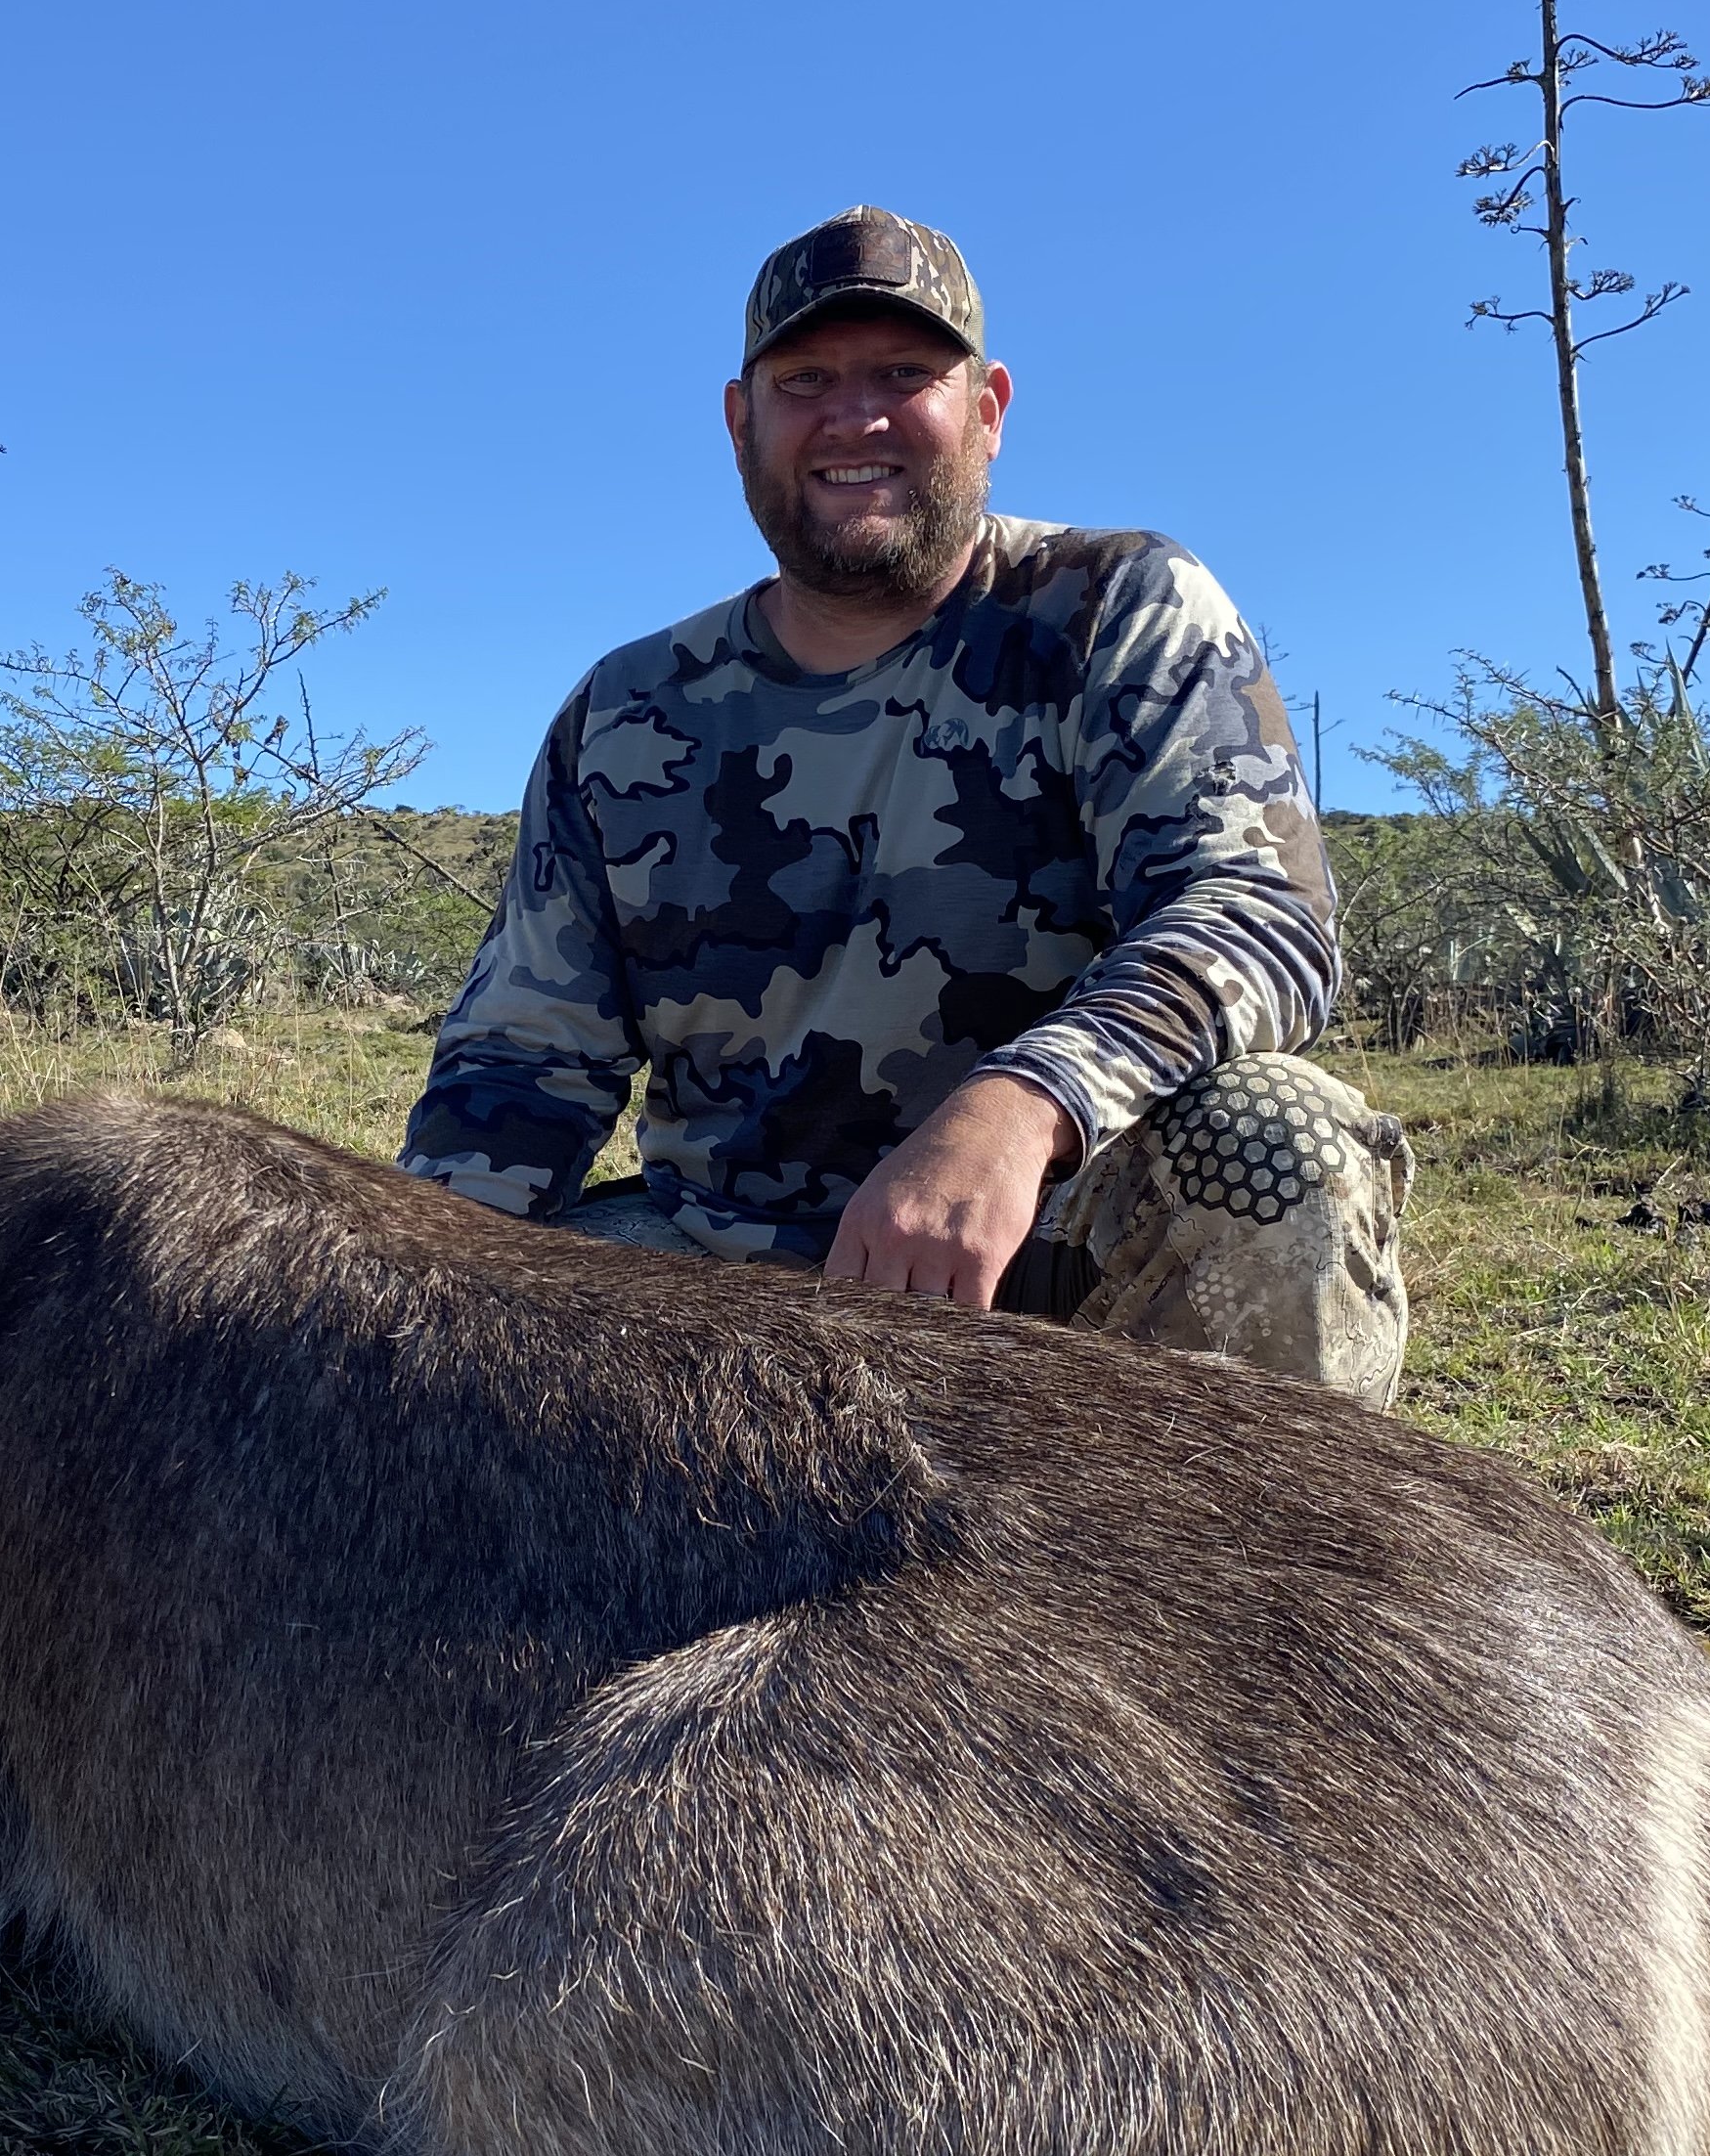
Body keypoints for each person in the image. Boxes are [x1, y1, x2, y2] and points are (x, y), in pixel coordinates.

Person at [401, 205, 1410, 1398]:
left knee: (1279, 1142)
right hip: (724, 1280)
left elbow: (1256, 913)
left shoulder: (1119, 607)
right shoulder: (626, 711)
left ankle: (1245, 1576)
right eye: (806, 379)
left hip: (1049, 1259)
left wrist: (1024, 1106)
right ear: (742, 423)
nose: (853, 416)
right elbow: (521, 1064)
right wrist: (400, 1288)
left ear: (987, 409)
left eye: (904, 375)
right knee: (423, 1342)